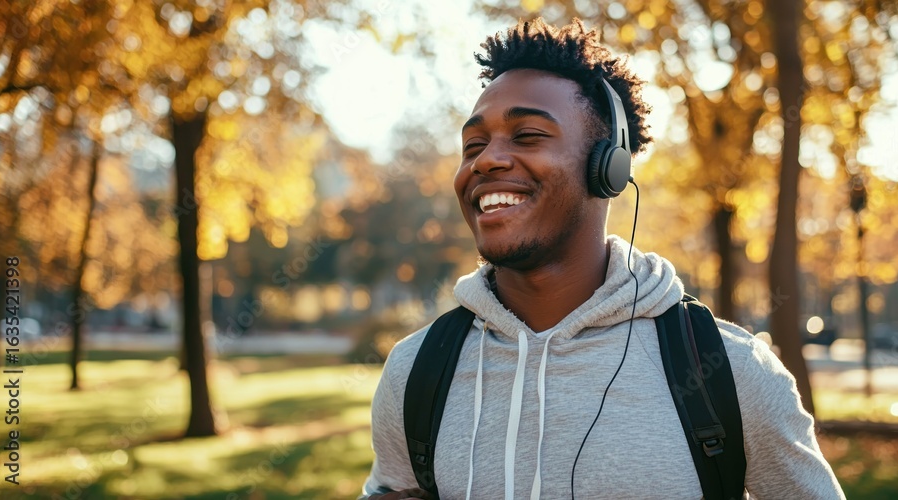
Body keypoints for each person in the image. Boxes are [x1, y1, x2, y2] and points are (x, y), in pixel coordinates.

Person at [361, 19, 845, 500]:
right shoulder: (414, 370)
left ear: (607, 168)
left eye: (527, 135)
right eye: (473, 145)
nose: (486, 160)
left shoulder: (732, 374)